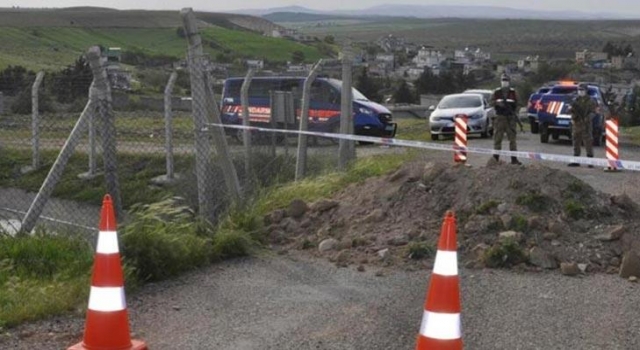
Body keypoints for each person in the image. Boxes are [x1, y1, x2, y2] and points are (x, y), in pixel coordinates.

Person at [491, 73, 523, 165]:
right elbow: (490, 102)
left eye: (506, 80)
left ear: (509, 82)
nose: (504, 82)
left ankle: (514, 159)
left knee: (512, 140)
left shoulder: (514, 92)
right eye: (503, 80)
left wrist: (515, 112)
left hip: (510, 118)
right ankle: (495, 159)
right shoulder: (496, 92)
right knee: (497, 139)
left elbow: (519, 103)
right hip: (500, 118)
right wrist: (497, 103)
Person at [567, 83, 596, 167]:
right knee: (576, 142)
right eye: (579, 90)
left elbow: (593, 112)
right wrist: (570, 110)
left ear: (586, 91)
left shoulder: (591, 101)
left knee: (588, 143)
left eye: (582, 90)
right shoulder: (575, 100)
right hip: (576, 124)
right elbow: (570, 111)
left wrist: (587, 119)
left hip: (586, 125)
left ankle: (590, 161)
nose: (580, 91)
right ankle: (576, 160)